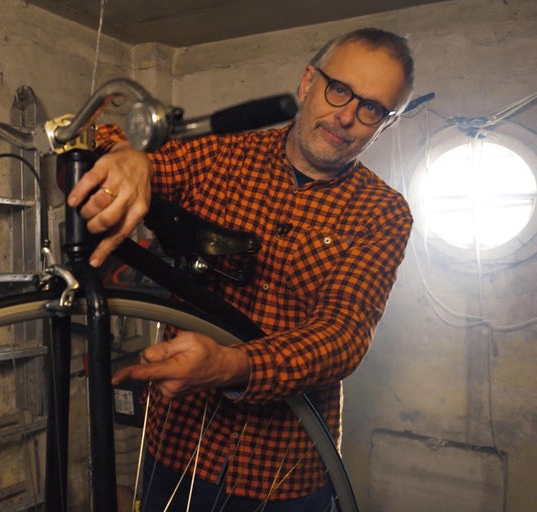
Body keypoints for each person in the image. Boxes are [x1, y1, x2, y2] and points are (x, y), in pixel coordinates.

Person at [68, 27, 415, 511]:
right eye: (339, 89)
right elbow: (110, 144)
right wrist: (130, 161)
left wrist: (231, 366)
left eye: (372, 108)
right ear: (307, 83)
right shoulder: (221, 156)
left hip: (287, 471)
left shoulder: (382, 212)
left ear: (386, 123)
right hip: (177, 446)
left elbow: (342, 335)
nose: (347, 116)